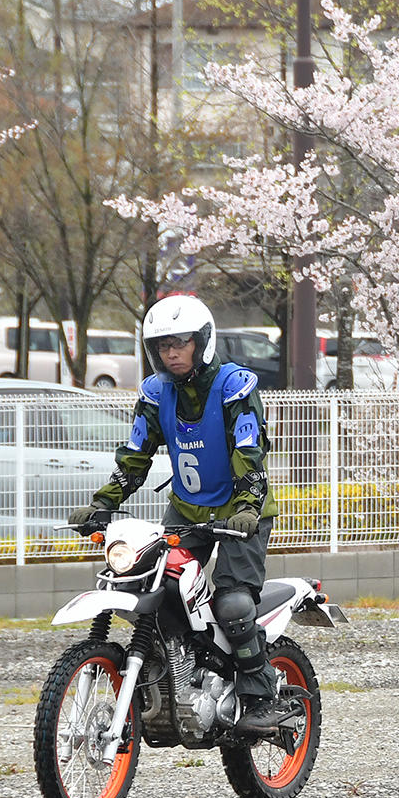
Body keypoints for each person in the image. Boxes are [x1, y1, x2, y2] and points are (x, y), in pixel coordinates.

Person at [66, 296, 281, 731]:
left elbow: (248, 453)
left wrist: (244, 507)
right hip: (185, 513)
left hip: (242, 512)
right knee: (155, 589)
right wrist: (104, 503)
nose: (172, 352)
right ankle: (182, 678)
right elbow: (135, 457)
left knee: (233, 602)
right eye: (162, 345)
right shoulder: (154, 392)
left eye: (181, 342)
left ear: (202, 341)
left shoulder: (234, 385)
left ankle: (260, 695)